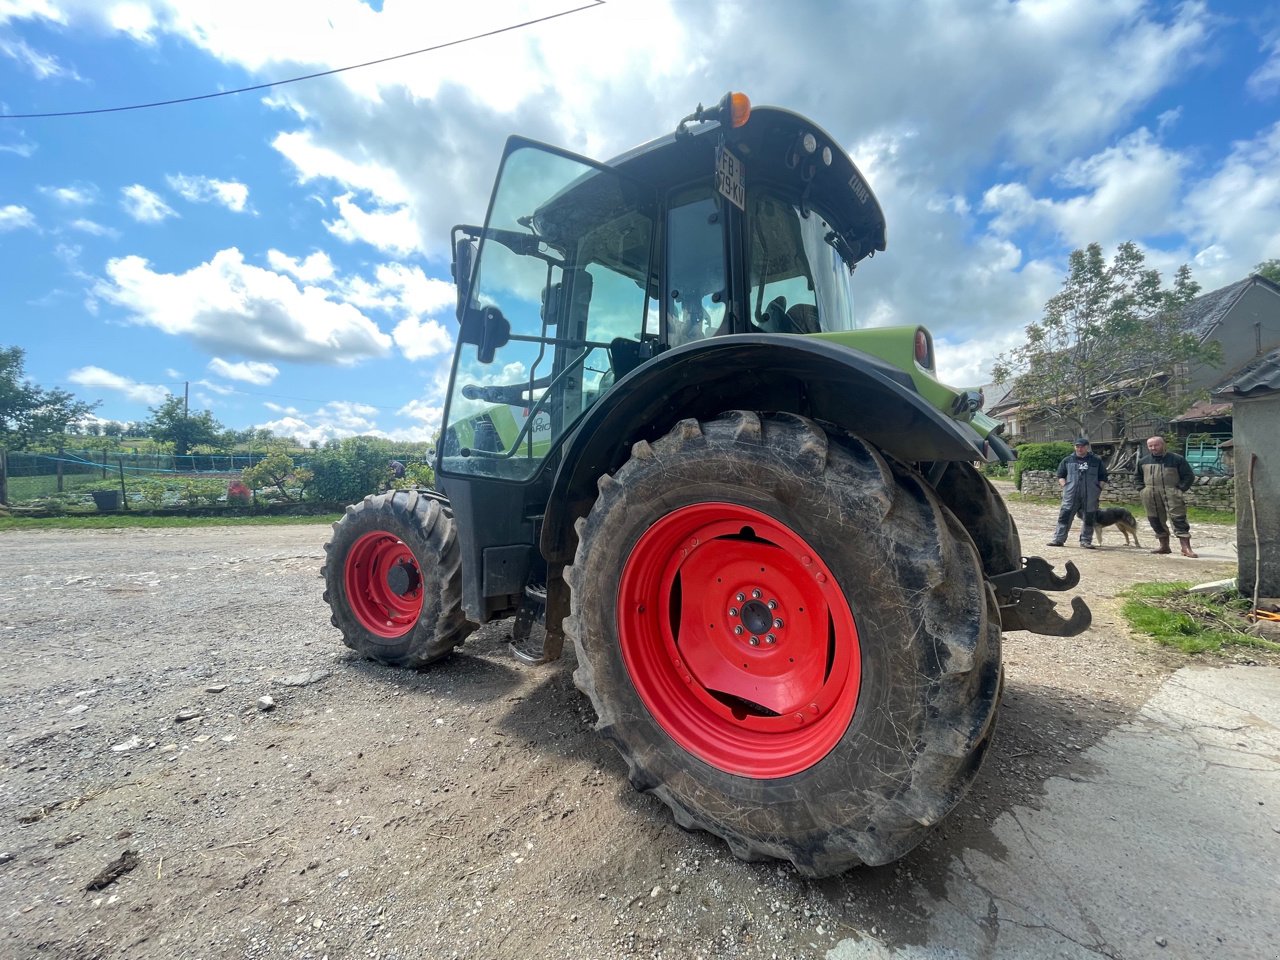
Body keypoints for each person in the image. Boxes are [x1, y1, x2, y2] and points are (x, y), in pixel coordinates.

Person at [1134, 435, 1198, 557]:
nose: (1153, 448)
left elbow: (1188, 476)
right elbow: (1137, 477)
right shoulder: (1143, 461)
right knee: (1155, 519)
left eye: (1156, 445)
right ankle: (1164, 546)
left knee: (1178, 518)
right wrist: (1142, 489)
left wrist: (1180, 489)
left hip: (1171, 491)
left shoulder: (1177, 459)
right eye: (1150, 446)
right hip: (1150, 493)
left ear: (1163, 445)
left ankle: (1185, 548)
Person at [1048, 438, 1108, 549]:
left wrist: (1098, 489)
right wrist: (1065, 486)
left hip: (1090, 495)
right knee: (1065, 516)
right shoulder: (1068, 460)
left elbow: (1103, 476)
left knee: (1089, 517)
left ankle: (1086, 541)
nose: (1079, 448)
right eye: (1077, 446)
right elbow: (1060, 475)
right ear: (1075, 447)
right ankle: (1058, 539)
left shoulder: (1096, 460)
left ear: (1087, 447)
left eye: (1082, 446)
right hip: (1071, 494)